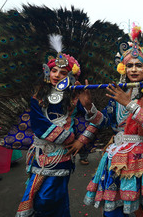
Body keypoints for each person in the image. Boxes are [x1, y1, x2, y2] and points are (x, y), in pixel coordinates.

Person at [16, 35, 101, 217]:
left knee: (49, 199)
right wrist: (70, 137)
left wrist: (80, 140)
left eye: (63, 73)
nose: (57, 75)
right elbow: (38, 123)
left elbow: (98, 121)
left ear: (70, 76)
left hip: (61, 157)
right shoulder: (38, 95)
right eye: (54, 70)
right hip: (38, 156)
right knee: (38, 197)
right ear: (48, 71)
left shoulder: (74, 97)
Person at [84, 26, 143, 216]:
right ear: (123, 68)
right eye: (130, 65)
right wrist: (89, 107)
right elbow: (104, 122)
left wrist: (130, 105)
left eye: (138, 65)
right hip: (114, 158)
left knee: (136, 210)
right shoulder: (117, 93)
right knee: (112, 211)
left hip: (140, 160)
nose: (134, 69)